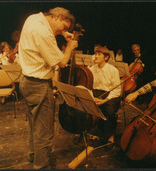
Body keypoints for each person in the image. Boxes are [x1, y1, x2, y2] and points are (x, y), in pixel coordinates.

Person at [18, 7, 78, 169]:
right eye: (64, 27)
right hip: (39, 85)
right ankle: (42, 166)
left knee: (34, 125)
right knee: (44, 132)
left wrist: (62, 33)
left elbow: (50, 32)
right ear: (57, 16)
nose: (64, 31)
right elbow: (62, 62)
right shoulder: (43, 33)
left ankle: (33, 155)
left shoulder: (33, 18)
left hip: (25, 81)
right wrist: (70, 47)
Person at [89, 46, 121, 144]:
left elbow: (117, 90)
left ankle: (110, 136)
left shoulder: (113, 70)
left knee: (109, 111)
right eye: (95, 54)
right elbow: (88, 86)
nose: (96, 56)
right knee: (82, 106)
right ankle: (82, 130)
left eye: (99, 54)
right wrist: (92, 97)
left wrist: (105, 100)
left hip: (110, 94)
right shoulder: (91, 68)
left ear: (106, 57)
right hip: (95, 93)